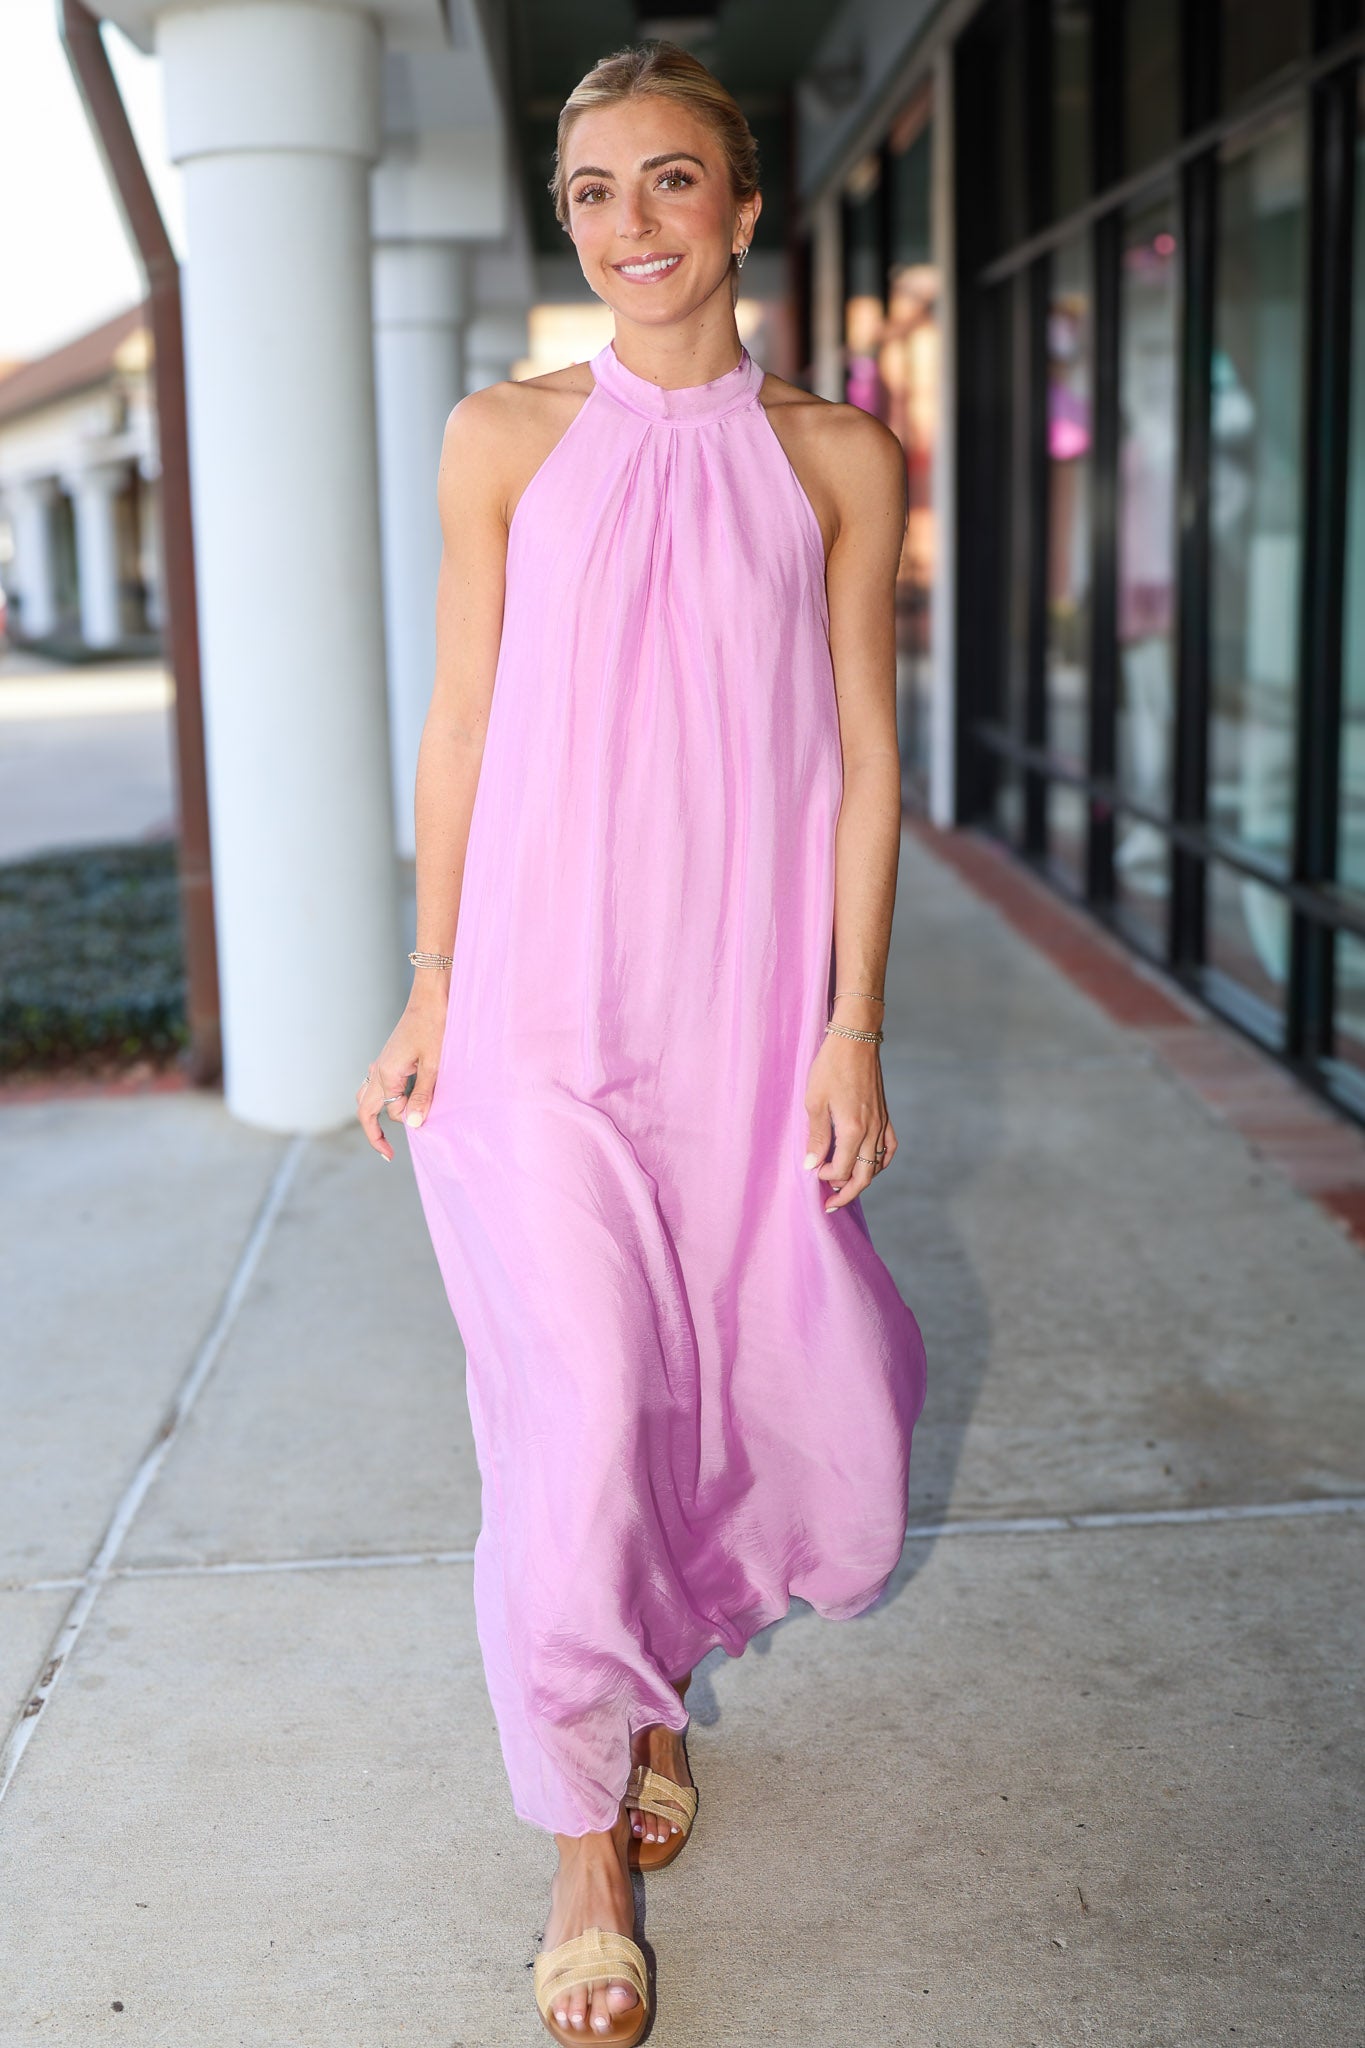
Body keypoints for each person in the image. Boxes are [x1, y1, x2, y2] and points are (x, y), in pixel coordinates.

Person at [356, 39, 928, 2046]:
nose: (631, 224)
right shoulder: (501, 437)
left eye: (669, 180)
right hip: (532, 1014)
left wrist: (851, 1026)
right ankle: (579, 1846)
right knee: (581, 1404)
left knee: (724, 1386)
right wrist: (429, 982)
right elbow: (457, 723)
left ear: (743, 204)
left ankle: (646, 1685)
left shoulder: (837, 456)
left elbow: (867, 760)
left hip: (740, 1008)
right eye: (592, 191)